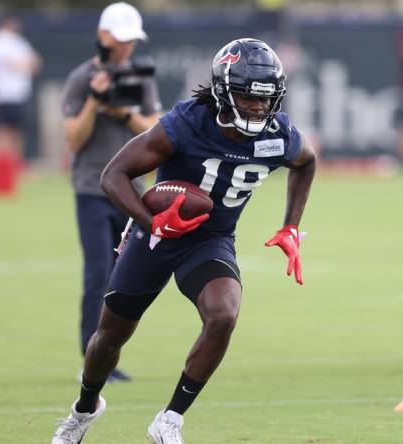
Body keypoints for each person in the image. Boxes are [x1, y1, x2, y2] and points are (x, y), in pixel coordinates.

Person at [51, 38, 316, 444]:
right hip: (154, 236)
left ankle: (170, 418)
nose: (260, 109)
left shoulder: (277, 134)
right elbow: (113, 175)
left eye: (267, 100)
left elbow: (306, 161)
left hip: (210, 239)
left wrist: (291, 225)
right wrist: (151, 221)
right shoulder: (188, 123)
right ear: (225, 92)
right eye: (249, 98)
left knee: (223, 314)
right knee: (110, 337)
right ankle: (85, 409)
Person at [61, 2, 161, 383]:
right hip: (91, 189)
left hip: (133, 192)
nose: (127, 48)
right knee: (97, 273)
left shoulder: (140, 77)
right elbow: (73, 138)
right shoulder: (80, 77)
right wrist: (94, 100)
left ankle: (108, 353)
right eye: (121, 41)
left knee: (125, 276)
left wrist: (123, 113)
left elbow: (154, 131)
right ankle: (94, 355)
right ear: (104, 37)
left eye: (131, 41)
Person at [0, 16, 42, 158]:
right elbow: (10, 63)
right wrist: (24, 64)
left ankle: (15, 161)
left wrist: (23, 64)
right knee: (2, 129)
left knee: (17, 129)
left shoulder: (19, 41)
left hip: (19, 93)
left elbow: (35, 62)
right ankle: (0, 161)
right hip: (3, 93)